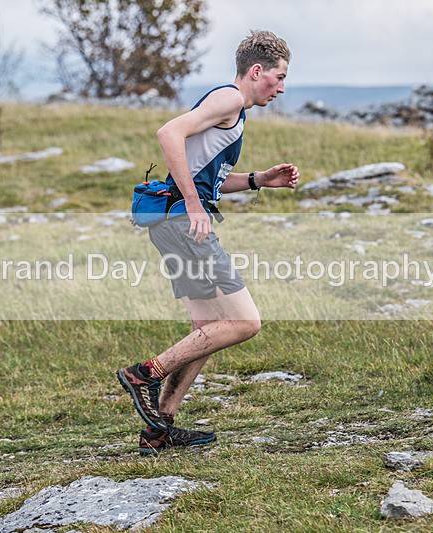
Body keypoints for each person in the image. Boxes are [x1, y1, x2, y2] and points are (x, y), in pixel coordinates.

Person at [116, 30, 299, 455]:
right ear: (257, 71)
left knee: (207, 329)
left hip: (173, 222)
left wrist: (259, 180)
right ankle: (144, 374)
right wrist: (195, 206)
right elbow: (168, 134)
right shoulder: (229, 100)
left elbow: (206, 176)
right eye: (280, 76)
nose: (282, 87)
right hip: (184, 223)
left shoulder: (232, 111)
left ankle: (159, 428)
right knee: (244, 323)